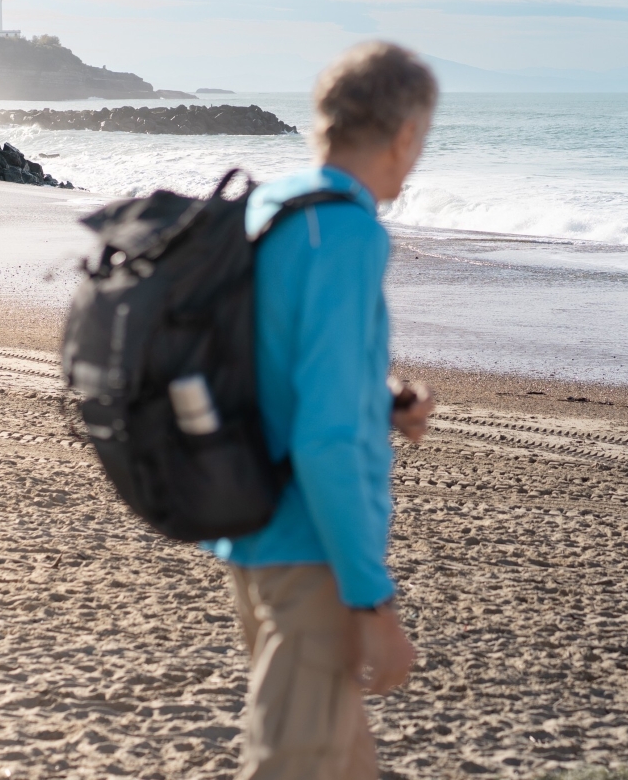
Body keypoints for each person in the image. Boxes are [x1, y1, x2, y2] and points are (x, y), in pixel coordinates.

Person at [208, 41, 439, 780]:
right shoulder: (347, 232)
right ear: (406, 134)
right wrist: (375, 602)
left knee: (343, 764)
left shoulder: (273, 208)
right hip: (309, 550)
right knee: (292, 766)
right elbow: (327, 436)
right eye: (422, 140)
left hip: (247, 525)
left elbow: (277, 359)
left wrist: (381, 402)